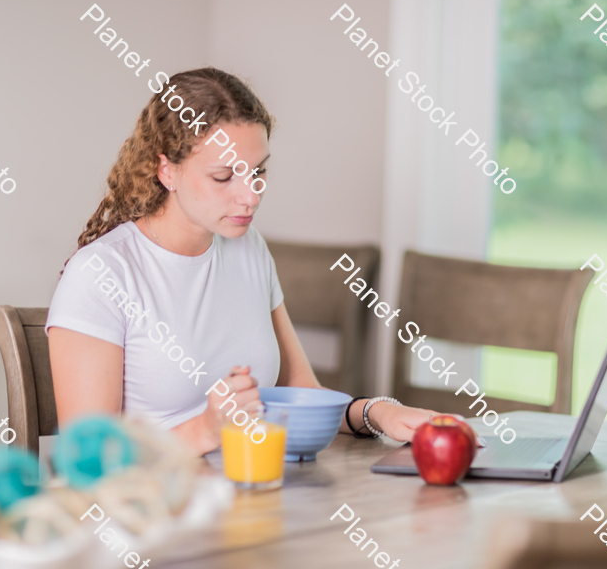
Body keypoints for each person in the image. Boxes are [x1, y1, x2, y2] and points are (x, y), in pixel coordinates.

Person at [46, 67, 475, 455]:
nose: (250, 195)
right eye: (223, 176)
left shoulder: (247, 248)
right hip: (152, 524)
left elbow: (299, 390)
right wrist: (207, 430)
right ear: (167, 171)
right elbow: (88, 463)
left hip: (250, 499)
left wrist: (378, 414)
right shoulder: (102, 274)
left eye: (259, 172)